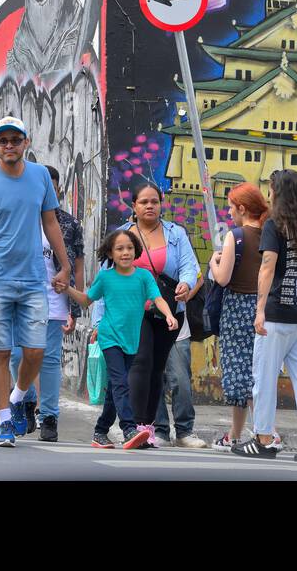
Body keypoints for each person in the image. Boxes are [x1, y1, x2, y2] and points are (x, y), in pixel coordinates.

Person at [0, 116, 71, 448]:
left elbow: (51, 222)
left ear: (26, 142)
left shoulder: (40, 176)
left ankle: (19, 396)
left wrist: (64, 265)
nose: (9, 146)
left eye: (15, 140)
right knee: (0, 352)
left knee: (36, 351)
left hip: (34, 278)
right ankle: (5, 422)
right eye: (2, 141)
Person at [233, 169, 297, 463]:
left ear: (279, 193)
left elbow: (267, 267)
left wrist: (260, 310)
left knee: (264, 378)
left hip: (277, 315)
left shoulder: (275, 225)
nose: (269, 194)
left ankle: (263, 439)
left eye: (271, 189)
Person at [61, 228, 176, 450]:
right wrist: (67, 289)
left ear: (136, 251)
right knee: (121, 382)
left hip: (131, 340)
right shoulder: (106, 277)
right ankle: (129, 428)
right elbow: (86, 300)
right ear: (111, 253)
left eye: (130, 248)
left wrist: (169, 315)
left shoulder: (143, 276)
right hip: (109, 336)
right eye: (120, 248)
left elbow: (158, 298)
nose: (125, 252)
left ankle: (100, 431)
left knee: (115, 388)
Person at [112, 182, 199, 449]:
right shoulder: (121, 235)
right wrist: (98, 319)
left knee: (157, 370)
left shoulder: (176, 233)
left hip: (169, 311)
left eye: (155, 202)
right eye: (144, 202)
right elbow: (106, 277)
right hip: (133, 311)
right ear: (134, 206)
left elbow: (189, 266)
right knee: (141, 362)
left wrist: (185, 284)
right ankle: (133, 425)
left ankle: (147, 429)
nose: (150, 206)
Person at [9, 164, 84, 442]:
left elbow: (77, 265)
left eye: (52, 187)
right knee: (18, 355)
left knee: (50, 359)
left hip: (54, 300)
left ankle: (49, 416)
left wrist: (75, 306)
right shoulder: (18, 218)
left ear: (58, 190)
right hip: (19, 296)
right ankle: (26, 401)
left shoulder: (68, 223)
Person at [208, 182, 269, 450]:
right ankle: (235, 434)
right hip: (263, 308)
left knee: (238, 373)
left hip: (236, 309)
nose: (229, 212)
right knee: (258, 372)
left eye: (231, 207)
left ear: (242, 208)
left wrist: (213, 262)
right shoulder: (271, 233)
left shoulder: (236, 235)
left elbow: (222, 278)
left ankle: (264, 432)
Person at [152, 274, 208, 448]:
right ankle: (160, 430)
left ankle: (184, 431)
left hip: (177, 325)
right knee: (152, 380)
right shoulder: (135, 248)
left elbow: (198, 278)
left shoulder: (180, 245)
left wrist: (183, 298)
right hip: (146, 324)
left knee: (181, 379)